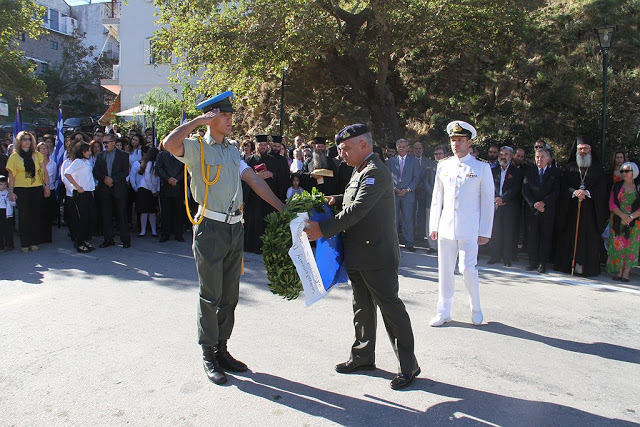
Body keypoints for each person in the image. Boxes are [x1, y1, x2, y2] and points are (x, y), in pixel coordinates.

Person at [162, 91, 284, 386]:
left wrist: (283, 208)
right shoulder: (196, 148)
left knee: (230, 294)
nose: (231, 120)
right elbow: (169, 144)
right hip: (210, 228)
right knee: (210, 294)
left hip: (235, 228)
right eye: (225, 116)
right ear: (212, 118)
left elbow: (253, 180)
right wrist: (197, 121)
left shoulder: (231, 151)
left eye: (231, 116)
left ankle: (222, 349)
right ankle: (207, 353)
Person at [304, 124, 420, 390]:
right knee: (362, 308)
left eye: (345, 149)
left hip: (376, 254)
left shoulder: (375, 172)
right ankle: (363, 356)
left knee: (391, 311)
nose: (341, 154)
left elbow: (358, 209)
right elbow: (351, 200)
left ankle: (408, 365)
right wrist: (333, 199)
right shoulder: (359, 170)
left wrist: (322, 229)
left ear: (363, 146)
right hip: (358, 252)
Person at [429, 121, 494, 327]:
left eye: (460, 140)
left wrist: (485, 230)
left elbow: (487, 202)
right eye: (453, 140)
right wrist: (434, 224)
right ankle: (443, 311)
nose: (456, 144)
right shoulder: (443, 165)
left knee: (467, 269)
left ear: (470, 142)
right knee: (444, 271)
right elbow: (437, 197)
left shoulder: (481, 167)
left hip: (469, 229)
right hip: (447, 227)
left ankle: (475, 307)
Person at [553, 136, 607, 276]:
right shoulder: (570, 167)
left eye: (586, 148)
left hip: (590, 211)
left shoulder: (597, 168)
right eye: (580, 149)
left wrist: (587, 192)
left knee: (588, 238)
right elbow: (563, 186)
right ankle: (567, 265)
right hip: (571, 209)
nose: (583, 151)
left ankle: (586, 269)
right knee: (569, 236)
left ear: (591, 150)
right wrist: (574, 192)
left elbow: (602, 188)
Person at [6, 131, 51, 252]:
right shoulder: (14, 157)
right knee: (23, 216)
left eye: (29, 139)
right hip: (21, 189)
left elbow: (44, 171)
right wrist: (11, 191)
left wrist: (46, 186)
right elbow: (11, 175)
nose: (27, 141)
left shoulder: (37, 155)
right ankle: (24, 243)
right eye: (24, 139)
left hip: (36, 187)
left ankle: (35, 241)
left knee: (35, 215)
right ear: (19, 142)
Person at [522, 148, 561, 273]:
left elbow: (556, 191)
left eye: (542, 157)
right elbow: (525, 190)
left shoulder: (555, 173)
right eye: (537, 157)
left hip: (547, 210)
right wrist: (534, 204)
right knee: (532, 236)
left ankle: (542, 263)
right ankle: (532, 262)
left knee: (545, 237)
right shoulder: (530, 172)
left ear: (548, 159)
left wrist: (544, 203)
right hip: (532, 210)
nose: (539, 159)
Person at [93, 132, 131, 248]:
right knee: (106, 215)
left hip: (119, 189)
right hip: (105, 190)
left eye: (106, 142)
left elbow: (125, 172)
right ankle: (108, 239)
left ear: (113, 143)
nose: (104, 144)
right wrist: (105, 178)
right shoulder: (100, 156)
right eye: (103, 142)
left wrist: (113, 179)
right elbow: (95, 172)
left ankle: (125, 240)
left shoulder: (123, 155)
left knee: (121, 214)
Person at [488, 146, 521, 267]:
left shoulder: (516, 171)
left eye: (506, 154)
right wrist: (497, 198)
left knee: (508, 233)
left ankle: (507, 257)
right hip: (495, 204)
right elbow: (490, 186)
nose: (503, 156)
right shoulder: (493, 170)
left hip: (509, 205)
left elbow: (515, 188)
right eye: (501, 154)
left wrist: (504, 199)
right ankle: (494, 256)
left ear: (511, 157)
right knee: (495, 232)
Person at [606, 162, 640, 282]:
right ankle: (619, 271)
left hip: (635, 222)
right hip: (618, 219)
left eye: (627, 171)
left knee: (631, 247)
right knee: (618, 245)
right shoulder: (616, 186)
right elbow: (611, 203)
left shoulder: (638, 186)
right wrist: (622, 216)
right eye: (622, 171)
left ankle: (626, 272)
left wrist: (630, 217)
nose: (623, 173)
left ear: (634, 172)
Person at [387, 138, 420, 252]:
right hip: (394, 194)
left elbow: (416, 178)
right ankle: (394, 243)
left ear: (407, 148)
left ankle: (409, 243)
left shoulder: (413, 161)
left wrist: (408, 189)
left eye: (404, 146)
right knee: (394, 219)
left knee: (408, 219)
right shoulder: (391, 161)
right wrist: (395, 188)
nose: (402, 148)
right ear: (397, 148)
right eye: (400, 146)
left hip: (408, 195)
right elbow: (387, 178)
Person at [64, 143, 96, 252]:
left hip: (89, 192)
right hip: (81, 193)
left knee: (88, 218)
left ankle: (86, 239)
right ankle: (79, 242)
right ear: (82, 151)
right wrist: (77, 186)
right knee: (82, 218)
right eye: (87, 151)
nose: (90, 153)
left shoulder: (86, 161)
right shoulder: (77, 162)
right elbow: (67, 173)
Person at [155, 146, 185, 242]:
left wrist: (176, 179)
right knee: (165, 212)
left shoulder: (182, 154)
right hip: (165, 186)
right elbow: (158, 168)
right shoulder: (162, 155)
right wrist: (168, 178)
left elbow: (186, 169)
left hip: (178, 187)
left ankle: (178, 233)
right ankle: (165, 234)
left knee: (178, 211)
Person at [411, 141, 434, 249]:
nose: (418, 150)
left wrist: (423, 186)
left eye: (420, 148)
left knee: (423, 215)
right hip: (411, 191)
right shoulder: (409, 161)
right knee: (410, 214)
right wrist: (413, 186)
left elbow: (428, 177)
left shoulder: (428, 162)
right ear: (413, 149)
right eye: (416, 148)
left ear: (423, 149)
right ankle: (412, 236)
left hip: (424, 192)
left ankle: (421, 236)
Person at [136, 147, 160, 237]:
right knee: (145, 211)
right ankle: (143, 230)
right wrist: (153, 190)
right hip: (145, 189)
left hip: (152, 189)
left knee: (152, 211)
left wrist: (157, 189)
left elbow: (157, 178)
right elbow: (147, 177)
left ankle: (154, 230)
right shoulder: (149, 163)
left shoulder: (156, 164)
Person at [37, 142, 57, 244]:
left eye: (46, 148)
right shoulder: (35, 162)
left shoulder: (53, 164)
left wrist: (48, 187)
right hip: (38, 189)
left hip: (50, 189)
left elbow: (53, 178)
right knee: (39, 214)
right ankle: (39, 236)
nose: (44, 150)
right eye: (42, 149)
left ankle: (47, 237)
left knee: (48, 214)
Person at [0, 175, 16, 251]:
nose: (3, 186)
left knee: (8, 230)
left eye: (5, 184)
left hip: (6, 212)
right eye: (0, 184)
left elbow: (12, 205)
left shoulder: (8, 193)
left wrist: (12, 198)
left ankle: (9, 245)